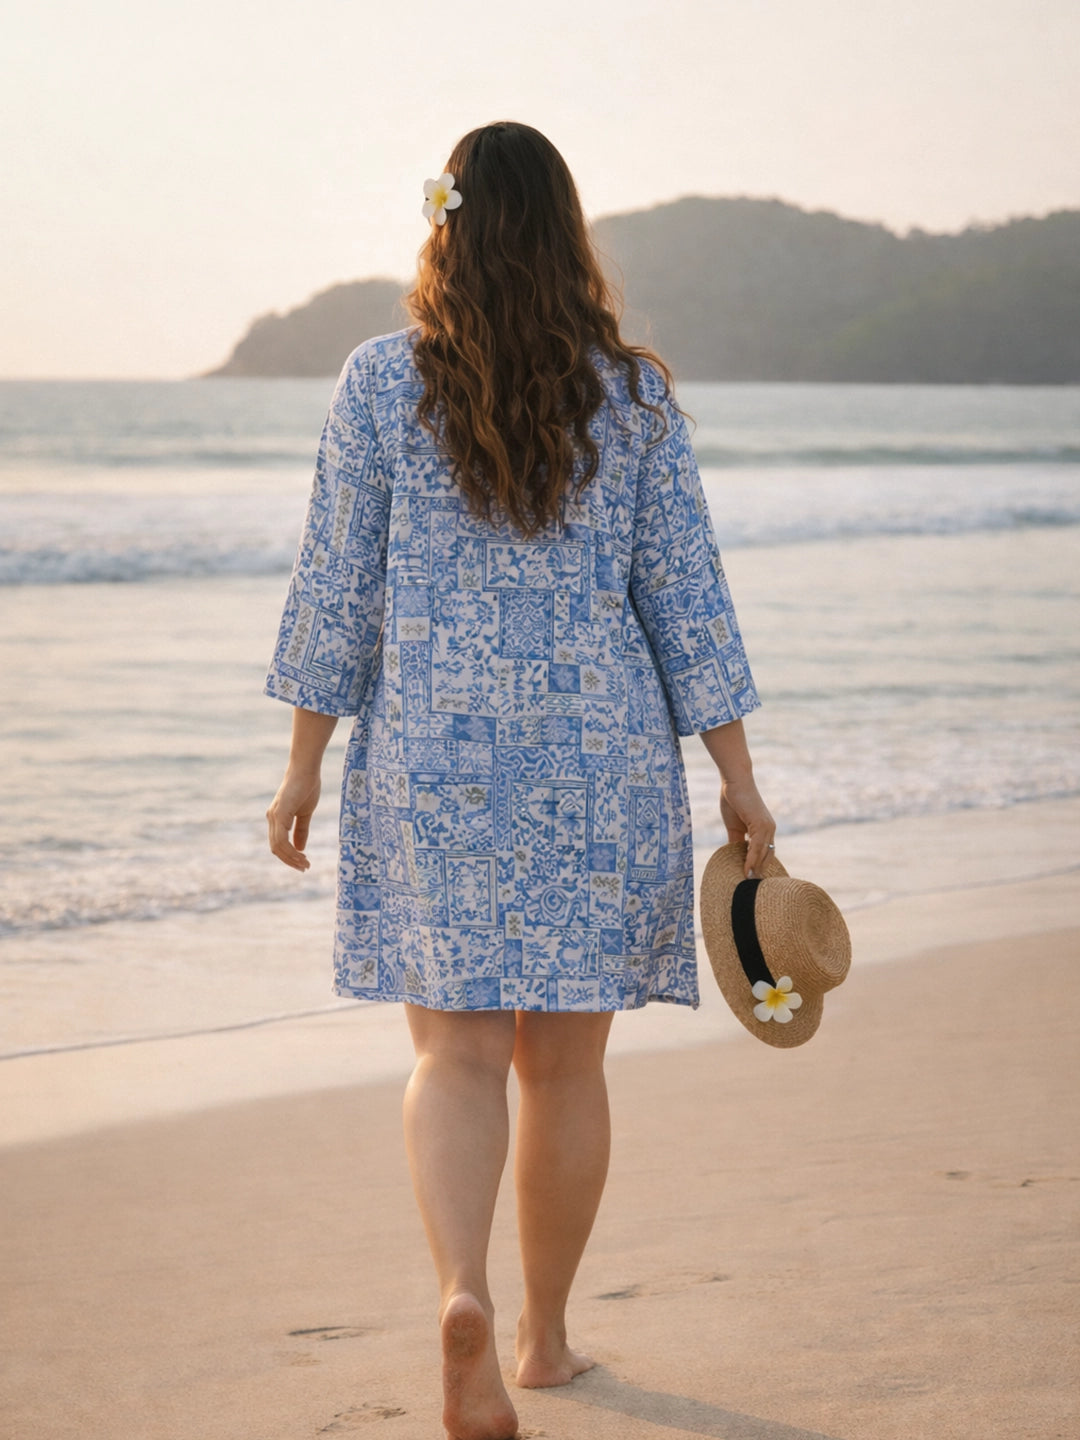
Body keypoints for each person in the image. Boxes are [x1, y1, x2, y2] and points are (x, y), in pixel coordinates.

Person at [265, 121, 775, 1440]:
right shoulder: (637, 397)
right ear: (568, 234)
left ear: (444, 226)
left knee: (456, 1053)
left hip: (432, 759)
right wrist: (740, 779)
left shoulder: (377, 385)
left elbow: (338, 592)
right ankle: (544, 1340)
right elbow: (687, 599)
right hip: (599, 759)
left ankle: (461, 1296)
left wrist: (302, 771)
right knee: (564, 1070)